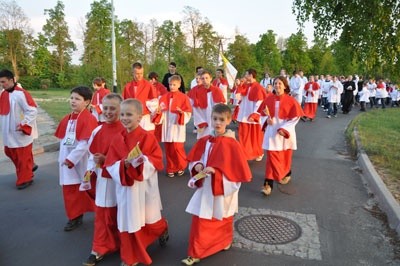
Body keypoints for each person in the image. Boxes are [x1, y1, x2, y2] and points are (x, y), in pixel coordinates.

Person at [182, 103, 252, 265]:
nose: (217, 123)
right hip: (206, 188)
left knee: (223, 217)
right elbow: (196, 159)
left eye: (221, 119)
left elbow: (237, 173)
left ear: (228, 120)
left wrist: (217, 172)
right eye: (215, 119)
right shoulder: (206, 139)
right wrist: (197, 165)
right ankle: (196, 251)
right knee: (201, 220)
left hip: (222, 188)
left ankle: (223, 241)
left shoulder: (232, 144)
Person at [105, 99, 169, 266]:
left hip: (143, 187)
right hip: (126, 187)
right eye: (123, 114)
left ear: (139, 117)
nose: (125, 118)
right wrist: (122, 165)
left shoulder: (147, 137)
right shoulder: (117, 139)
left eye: (129, 114)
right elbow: (110, 164)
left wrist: (140, 162)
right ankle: (130, 256)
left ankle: (162, 228)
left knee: (151, 221)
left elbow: (156, 161)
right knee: (128, 221)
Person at [82, 93, 125, 266]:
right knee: (103, 214)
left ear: (121, 109)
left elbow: (130, 157)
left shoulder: (126, 129)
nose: (108, 112)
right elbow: (91, 155)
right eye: (105, 108)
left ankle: (125, 243)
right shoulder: (97, 130)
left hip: (122, 180)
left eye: (113, 108)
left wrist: (106, 159)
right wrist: (87, 175)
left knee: (122, 213)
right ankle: (99, 247)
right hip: (103, 179)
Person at [54, 86, 98, 231]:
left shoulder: (89, 119)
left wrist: (71, 158)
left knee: (85, 189)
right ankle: (74, 216)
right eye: (72, 98)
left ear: (86, 102)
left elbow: (85, 143)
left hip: (80, 161)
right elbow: (64, 140)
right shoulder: (67, 118)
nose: (73, 101)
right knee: (70, 190)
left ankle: (102, 211)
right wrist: (64, 158)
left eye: (77, 99)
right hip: (67, 161)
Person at [258, 76, 303, 196]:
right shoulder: (268, 99)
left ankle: (287, 172)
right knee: (271, 157)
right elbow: (261, 115)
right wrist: (266, 121)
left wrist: (284, 129)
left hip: (284, 133)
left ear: (285, 86)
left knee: (285, 155)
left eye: (279, 83)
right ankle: (268, 184)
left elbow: (295, 117)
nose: (277, 85)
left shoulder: (291, 100)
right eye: (275, 83)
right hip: (272, 132)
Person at [0, 69, 38, 189]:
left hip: (19, 132)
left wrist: (24, 124)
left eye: (3, 81)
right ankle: (29, 165)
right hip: (7, 132)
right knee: (9, 151)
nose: (2, 84)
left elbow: (32, 110)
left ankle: (25, 179)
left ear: (11, 80)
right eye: (0, 82)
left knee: (22, 157)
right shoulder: (3, 94)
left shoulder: (21, 93)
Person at [153, 75, 192, 177]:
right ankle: (170, 167)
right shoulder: (163, 97)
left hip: (177, 125)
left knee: (178, 148)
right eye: (170, 84)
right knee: (169, 149)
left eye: (174, 85)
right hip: (167, 125)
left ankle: (180, 166)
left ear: (179, 85)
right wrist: (158, 112)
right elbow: (160, 110)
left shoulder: (184, 97)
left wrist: (181, 113)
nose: (172, 87)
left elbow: (188, 112)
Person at [236, 68, 267, 161]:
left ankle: (259, 152)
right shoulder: (245, 85)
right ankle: (244, 153)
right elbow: (238, 96)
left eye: (246, 74)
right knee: (244, 135)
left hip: (253, 116)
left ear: (250, 75)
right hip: (244, 114)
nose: (245, 76)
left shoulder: (258, 87)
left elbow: (260, 102)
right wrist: (239, 85)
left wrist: (255, 115)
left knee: (255, 137)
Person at [187, 70, 225, 139]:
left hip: (214, 120)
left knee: (214, 141)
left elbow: (220, 108)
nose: (204, 80)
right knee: (203, 141)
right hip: (203, 121)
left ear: (211, 78)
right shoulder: (196, 92)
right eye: (203, 78)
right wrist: (200, 122)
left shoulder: (217, 90)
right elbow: (195, 109)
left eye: (206, 78)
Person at [122, 62, 159, 132]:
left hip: (146, 118)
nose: (139, 76)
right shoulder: (127, 87)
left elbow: (154, 102)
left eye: (141, 73)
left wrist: (150, 109)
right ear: (132, 73)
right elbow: (124, 103)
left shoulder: (148, 85)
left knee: (147, 141)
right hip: (132, 118)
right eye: (137, 74)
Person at [148, 71, 168, 142]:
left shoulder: (161, 87)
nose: (152, 80)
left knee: (158, 126)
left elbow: (165, 98)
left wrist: (161, 107)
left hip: (158, 108)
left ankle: (156, 141)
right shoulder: (147, 86)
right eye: (151, 79)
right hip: (149, 109)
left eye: (154, 79)